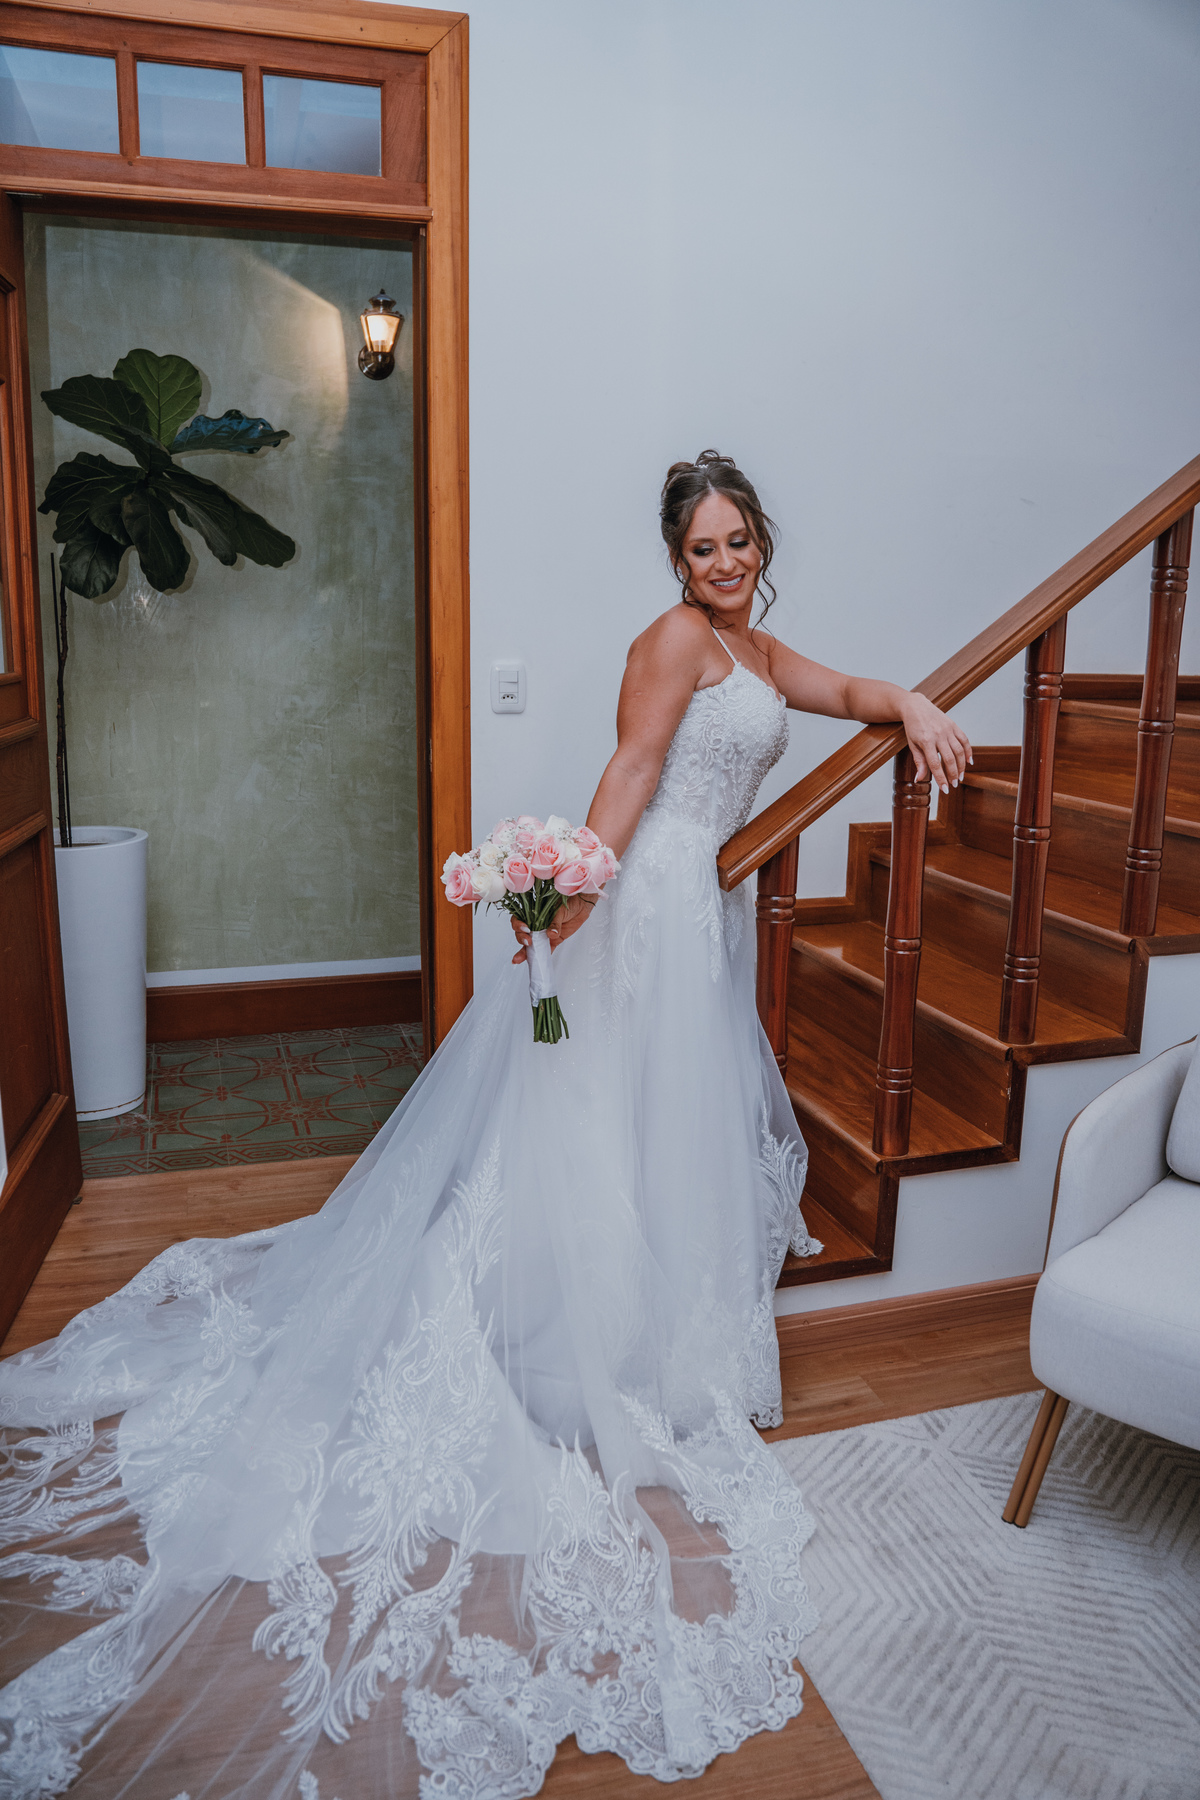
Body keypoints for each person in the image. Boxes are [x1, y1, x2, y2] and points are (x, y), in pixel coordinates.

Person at [0, 451, 970, 1800]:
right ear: (675, 561)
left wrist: (912, 702)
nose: (725, 562)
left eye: (739, 540)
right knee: (608, 1118)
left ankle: (661, 1336)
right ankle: (589, 1340)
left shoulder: (754, 646)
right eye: (702, 547)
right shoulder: (675, 640)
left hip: (701, 916)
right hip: (651, 907)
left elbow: (845, 691)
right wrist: (571, 904)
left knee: (657, 1125)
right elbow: (631, 772)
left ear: (761, 542)